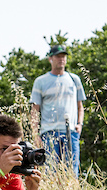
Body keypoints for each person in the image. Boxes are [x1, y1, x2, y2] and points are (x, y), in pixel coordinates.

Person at [29, 44, 85, 177]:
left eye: (63, 56)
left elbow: (80, 106)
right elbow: (35, 110)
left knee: (72, 170)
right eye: (58, 56)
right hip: (49, 133)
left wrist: (79, 124)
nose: (61, 59)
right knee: (51, 171)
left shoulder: (74, 79)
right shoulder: (41, 81)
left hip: (71, 132)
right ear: (50, 59)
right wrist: (35, 134)